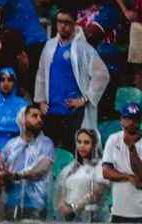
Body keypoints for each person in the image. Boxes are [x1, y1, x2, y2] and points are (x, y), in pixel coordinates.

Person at [34, 10, 109, 149]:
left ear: (74, 24)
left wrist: (85, 99)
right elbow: (41, 76)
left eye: (67, 22)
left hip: (73, 113)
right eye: (59, 22)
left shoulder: (84, 48)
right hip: (52, 111)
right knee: (51, 154)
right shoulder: (49, 46)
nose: (62, 26)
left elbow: (102, 75)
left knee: (75, 154)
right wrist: (40, 101)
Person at [103, 102, 142, 224]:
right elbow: (106, 172)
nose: (131, 122)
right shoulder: (113, 139)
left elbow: (141, 173)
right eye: (127, 118)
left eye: (134, 119)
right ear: (121, 120)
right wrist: (128, 177)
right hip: (119, 212)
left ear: (140, 120)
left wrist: (131, 147)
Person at [0, 104, 54, 220]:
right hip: (11, 202)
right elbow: (2, 172)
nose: (39, 120)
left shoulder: (46, 143)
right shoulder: (10, 145)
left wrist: (16, 175)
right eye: (34, 116)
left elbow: (42, 169)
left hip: (36, 204)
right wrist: (2, 177)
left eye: (41, 117)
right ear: (22, 119)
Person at [55, 127, 108, 221]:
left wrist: (77, 207)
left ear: (94, 145)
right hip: (69, 218)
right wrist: (62, 205)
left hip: (92, 219)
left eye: (86, 142)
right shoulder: (71, 168)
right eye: (79, 142)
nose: (82, 146)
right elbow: (60, 191)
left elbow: (98, 191)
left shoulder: (100, 167)